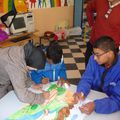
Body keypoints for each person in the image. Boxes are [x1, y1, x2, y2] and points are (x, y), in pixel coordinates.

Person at [74, 36, 120, 114]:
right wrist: (81, 92)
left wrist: (96, 105)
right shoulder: (93, 59)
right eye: (94, 54)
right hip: (92, 95)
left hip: (109, 104)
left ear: (110, 54)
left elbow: (117, 100)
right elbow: (87, 78)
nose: (94, 58)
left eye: (97, 54)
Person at [85, 0, 120, 66]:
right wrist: (91, 24)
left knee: (106, 74)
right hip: (93, 45)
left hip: (109, 52)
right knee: (89, 71)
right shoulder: (100, 1)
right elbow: (89, 8)